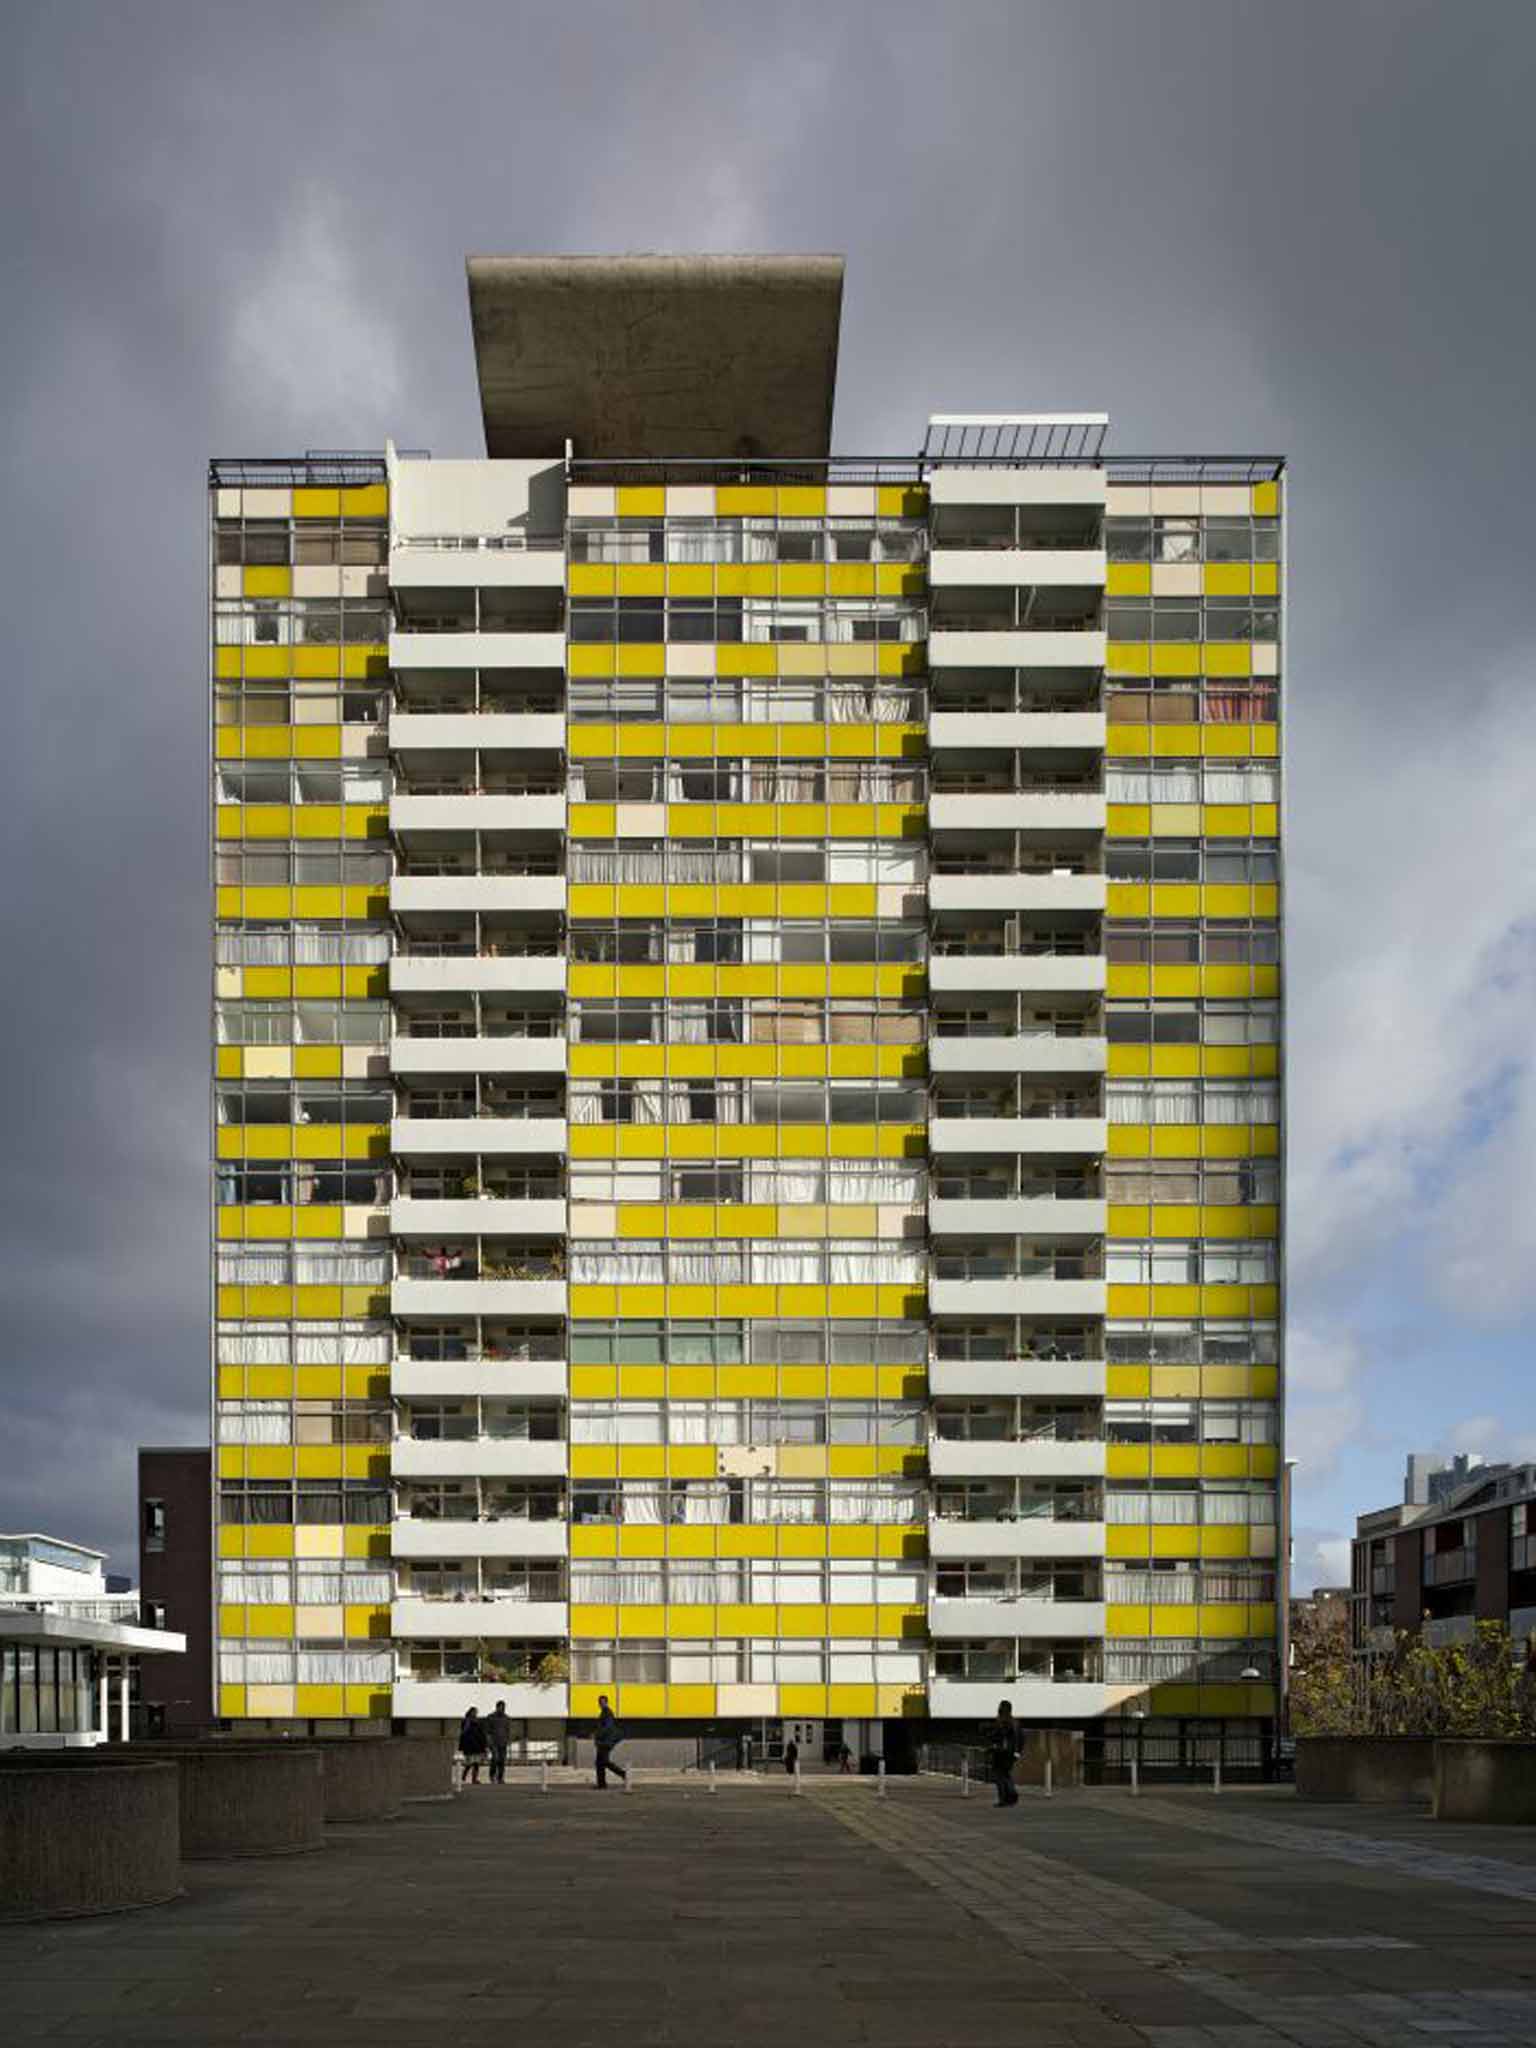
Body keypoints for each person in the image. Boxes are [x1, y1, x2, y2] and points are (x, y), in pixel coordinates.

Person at [985, 1699, 1020, 1809]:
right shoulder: (1014, 1722)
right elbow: (1019, 1739)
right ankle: (1011, 1795)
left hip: (1001, 1753)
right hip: (1010, 1754)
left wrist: (991, 1743)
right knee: (1006, 1774)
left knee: (999, 1776)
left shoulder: (1001, 1722)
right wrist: (1016, 1752)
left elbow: (996, 1736)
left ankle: (1005, 1798)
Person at [592, 1697, 627, 1789]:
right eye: (600, 1702)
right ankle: (602, 1784)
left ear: (606, 1702)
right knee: (600, 1763)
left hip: (606, 1742)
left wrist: (598, 1735)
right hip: (603, 1741)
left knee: (603, 1762)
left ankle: (623, 1774)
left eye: (602, 1702)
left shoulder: (607, 1712)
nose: (601, 1704)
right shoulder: (604, 1712)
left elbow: (608, 1727)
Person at [484, 1698, 513, 1784]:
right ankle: (492, 1775)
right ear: (497, 1707)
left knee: (502, 1760)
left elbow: (508, 1730)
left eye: (504, 1707)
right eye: (501, 1707)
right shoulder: (491, 1717)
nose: (502, 1709)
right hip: (494, 1742)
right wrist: (489, 1740)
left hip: (503, 1742)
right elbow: (487, 1731)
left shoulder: (506, 1718)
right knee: (495, 1758)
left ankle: (500, 1777)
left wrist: (508, 1739)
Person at [458, 1705, 488, 1786]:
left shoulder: (478, 1722)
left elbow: (482, 1734)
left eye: (475, 1712)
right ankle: (464, 1775)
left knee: (476, 1763)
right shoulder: (466, 1721)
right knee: (469, 1763)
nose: (475, 1713)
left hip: (477, 1745)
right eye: (473, 1712)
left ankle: (474, 1779)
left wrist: (484, 1745)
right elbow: (463, 1733)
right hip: (470, 1745)